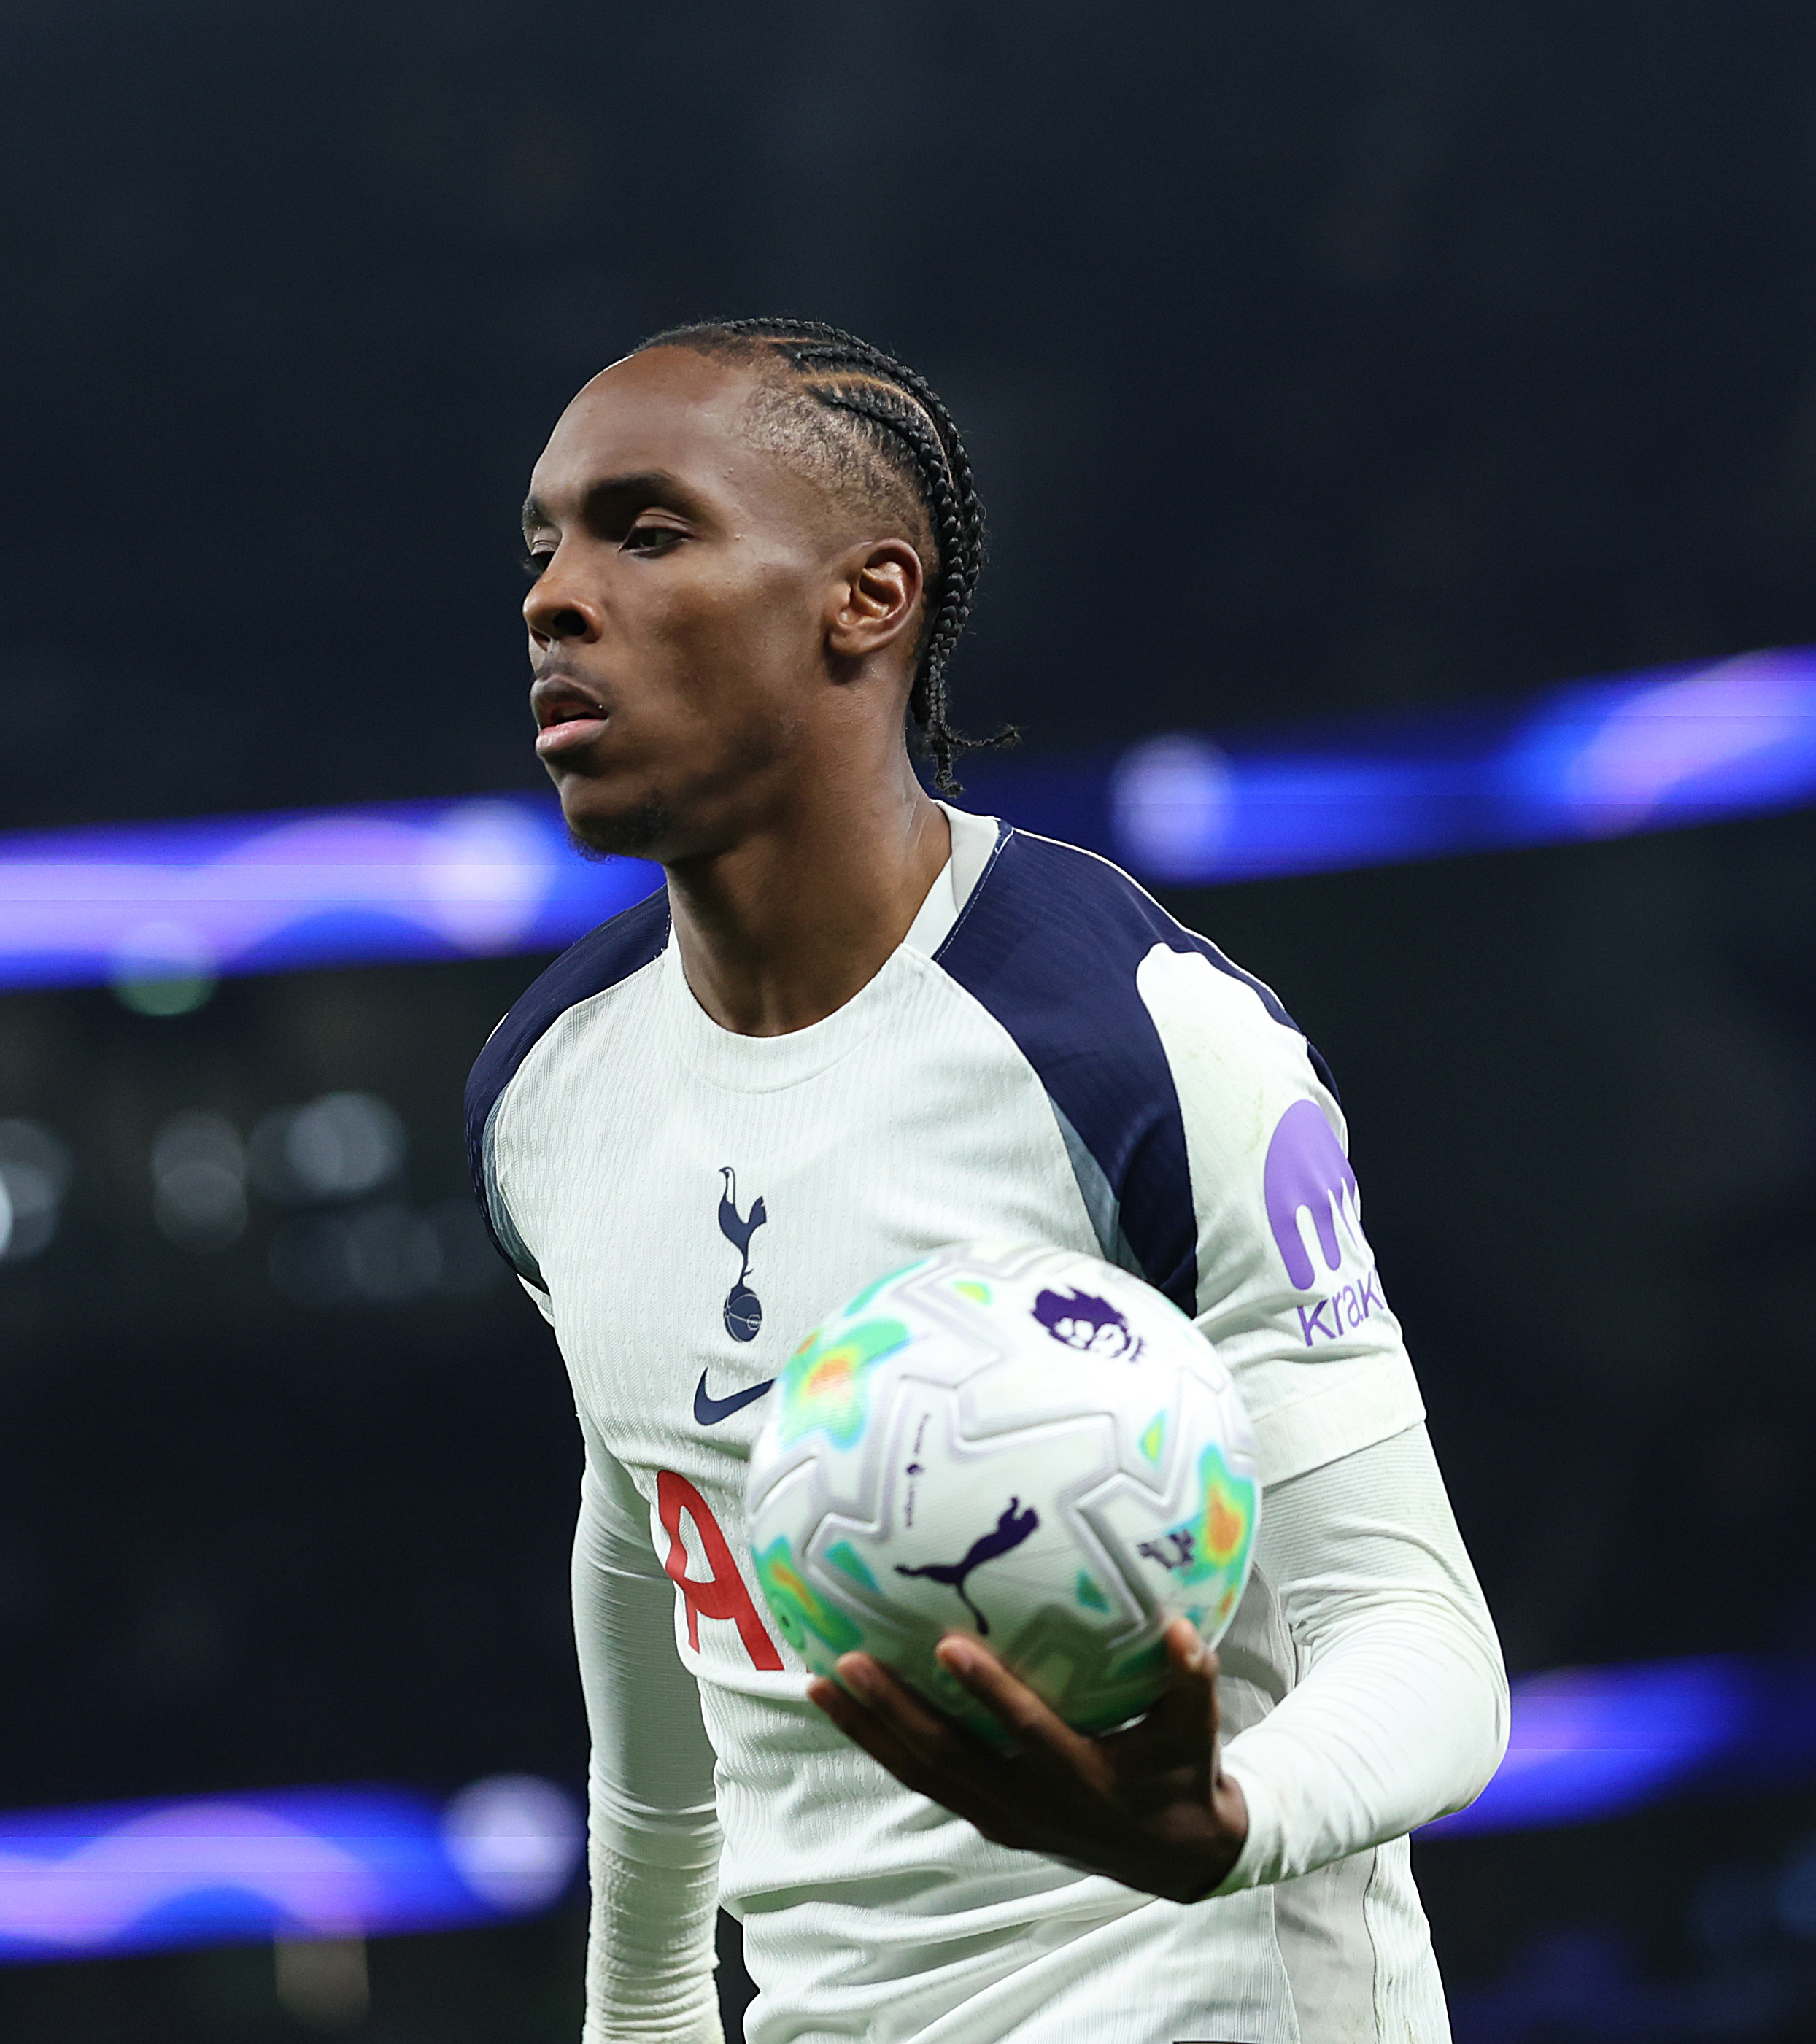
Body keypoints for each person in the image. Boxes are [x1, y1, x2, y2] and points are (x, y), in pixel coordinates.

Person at [465, 319, 1510, 2044]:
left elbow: (1422, 1643)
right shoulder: (543, 1095)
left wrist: (1223, 1827)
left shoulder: (1140, 1042)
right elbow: (654, 1523)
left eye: (646, 532)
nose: (555, 597)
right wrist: (642, 2009)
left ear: (865, 599)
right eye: (545, 546)